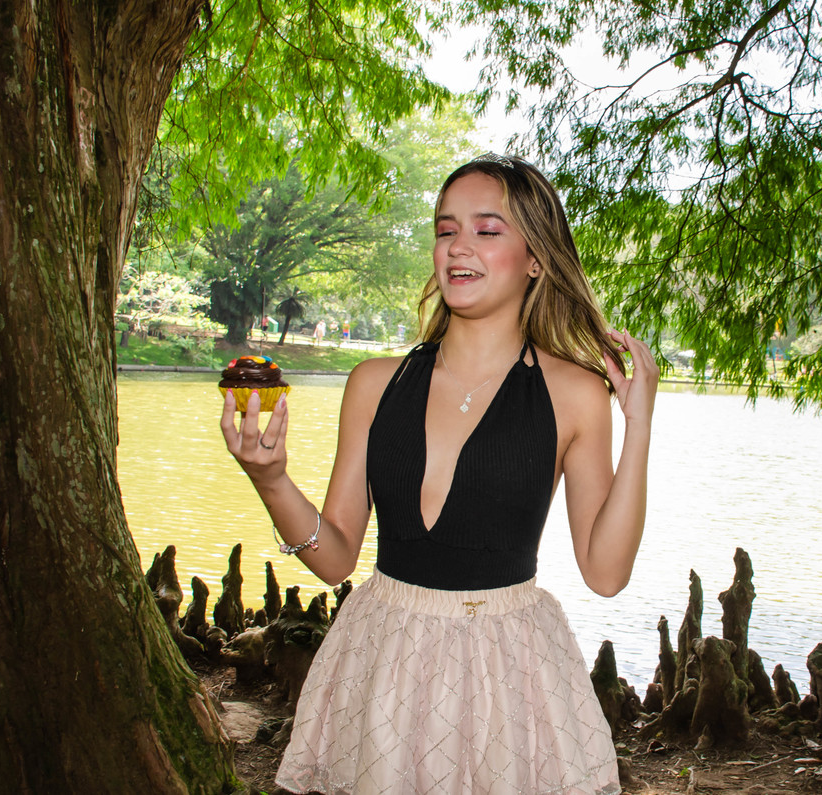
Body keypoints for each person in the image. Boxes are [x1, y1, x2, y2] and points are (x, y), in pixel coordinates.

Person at [221, 153, 658, 795]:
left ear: (536, 258)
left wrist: (638, 425)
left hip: (509, 677)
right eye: (446, 229)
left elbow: (606, 573)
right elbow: (335, 558)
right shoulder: (374, 384)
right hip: (382, 662)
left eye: (487, 229)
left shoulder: (575, 394)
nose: (458, 246)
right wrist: (270, 479)